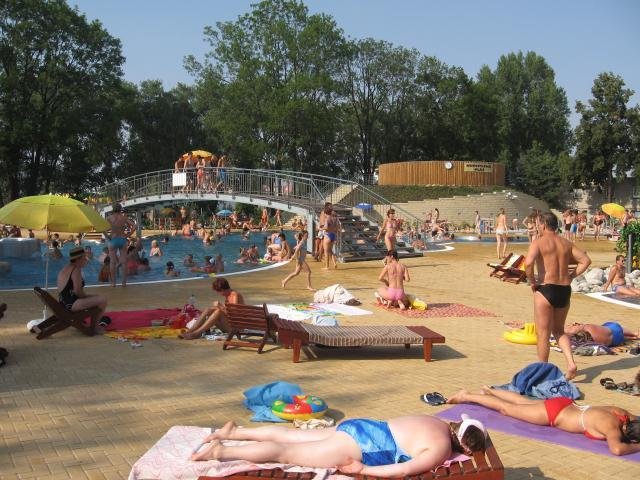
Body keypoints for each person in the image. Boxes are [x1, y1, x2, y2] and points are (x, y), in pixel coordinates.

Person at [190, 415, 487, 477]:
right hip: (363, 445)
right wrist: (363, 470)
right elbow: (404, 470)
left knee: (291, 436)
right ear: (465, 448)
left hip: (361, 426)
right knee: (285, 452)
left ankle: (236, 431)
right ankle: (222, 452)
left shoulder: (436, 421)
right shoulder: (440, 448)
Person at [447, 387, 640, 456]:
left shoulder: (622, 414)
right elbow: (617, 449)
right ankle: (466, 395)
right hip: (554, 414)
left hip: (565, 404)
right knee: (506, 409)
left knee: (523, 402)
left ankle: (489, 390)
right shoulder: (612, 428)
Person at [524, 212, 591, 380]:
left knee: (543, 334)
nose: (537, 227)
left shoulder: (538, 242)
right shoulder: (566, 243)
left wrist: (532, 281)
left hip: (546, 288)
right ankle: (571, 363)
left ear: (543, 225)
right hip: (564, 290)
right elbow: (586, 260)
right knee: (559, 331)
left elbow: (528, 263)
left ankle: (543, 373)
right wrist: (571, 276)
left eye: (538, 224)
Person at [179, 278, 243, 339]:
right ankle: (190, 331)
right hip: (230, 325)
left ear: (222, 290)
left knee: (218, 311)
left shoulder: (234, 295)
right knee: (209, 309)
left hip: (236, 328)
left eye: (218, 291)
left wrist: (221, 306)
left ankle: (196, 333)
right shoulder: (228, 295)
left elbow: (234, 315)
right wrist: (218, 307)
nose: (218, 294)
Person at [57, 246, 107, 319]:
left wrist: (89, 298)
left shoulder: (66, 268)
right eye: (84, 258)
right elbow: (77, 291)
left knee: (97, 297)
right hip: (71, 303)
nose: (86, 260)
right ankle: (95, 325)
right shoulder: (76, 269)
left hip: (64, 302)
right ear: (78, 259)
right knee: (102, 300)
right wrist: (86, 298)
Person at [107, 203, 135, 287]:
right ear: (120, 209)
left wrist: (107, 236)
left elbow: (102, 228)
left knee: (112, 262)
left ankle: (113, 283)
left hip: (113, 239)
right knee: (124, 262)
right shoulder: (124, 218)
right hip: (122, 239)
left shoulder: (109, 218)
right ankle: (124, 282)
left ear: (113, 209)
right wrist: (128, 235)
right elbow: (134, 226)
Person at [565, 322, 639, 347]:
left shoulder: (587, 342)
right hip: (615, 329)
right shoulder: (586, 327)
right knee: (610, 328)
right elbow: (569, 330)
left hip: (615, 342)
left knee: (613, 336)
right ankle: (635, 334)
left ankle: (632, 338)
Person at [320, 203, 339, 270]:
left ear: (326, 213)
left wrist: (320, 229)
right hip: (333, 235)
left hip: (327, 235)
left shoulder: (327, 219)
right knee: (330, 250)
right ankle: (334, 263)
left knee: (326, 252)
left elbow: (326, 227)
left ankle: (327, 266)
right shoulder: (335, 218)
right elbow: (337, 227)